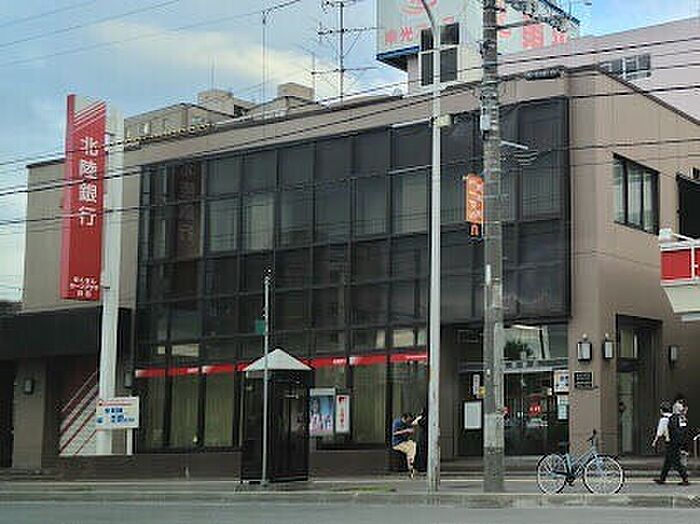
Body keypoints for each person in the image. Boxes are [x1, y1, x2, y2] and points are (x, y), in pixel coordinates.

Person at [654, 400, 690, 485]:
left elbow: (659, 433)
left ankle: (685, 478)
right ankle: (662, 478)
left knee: (675, 461)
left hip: (670, 442)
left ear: (661, 410)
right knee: (667, 461)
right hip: (676, 441)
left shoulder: (664, 419)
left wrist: (655, 441)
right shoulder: (676, 417)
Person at [391, 413, 416, 478]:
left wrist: (410, 432)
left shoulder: (407, 424)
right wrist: (406, 430)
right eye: (408, 420)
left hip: (404, 441)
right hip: (397, 443)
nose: (408, 422)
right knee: (409, 450)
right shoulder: (397, 422)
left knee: (413, 445)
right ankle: (410, 467)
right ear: (404, 418)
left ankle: (411, 461)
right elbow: (394, 433)